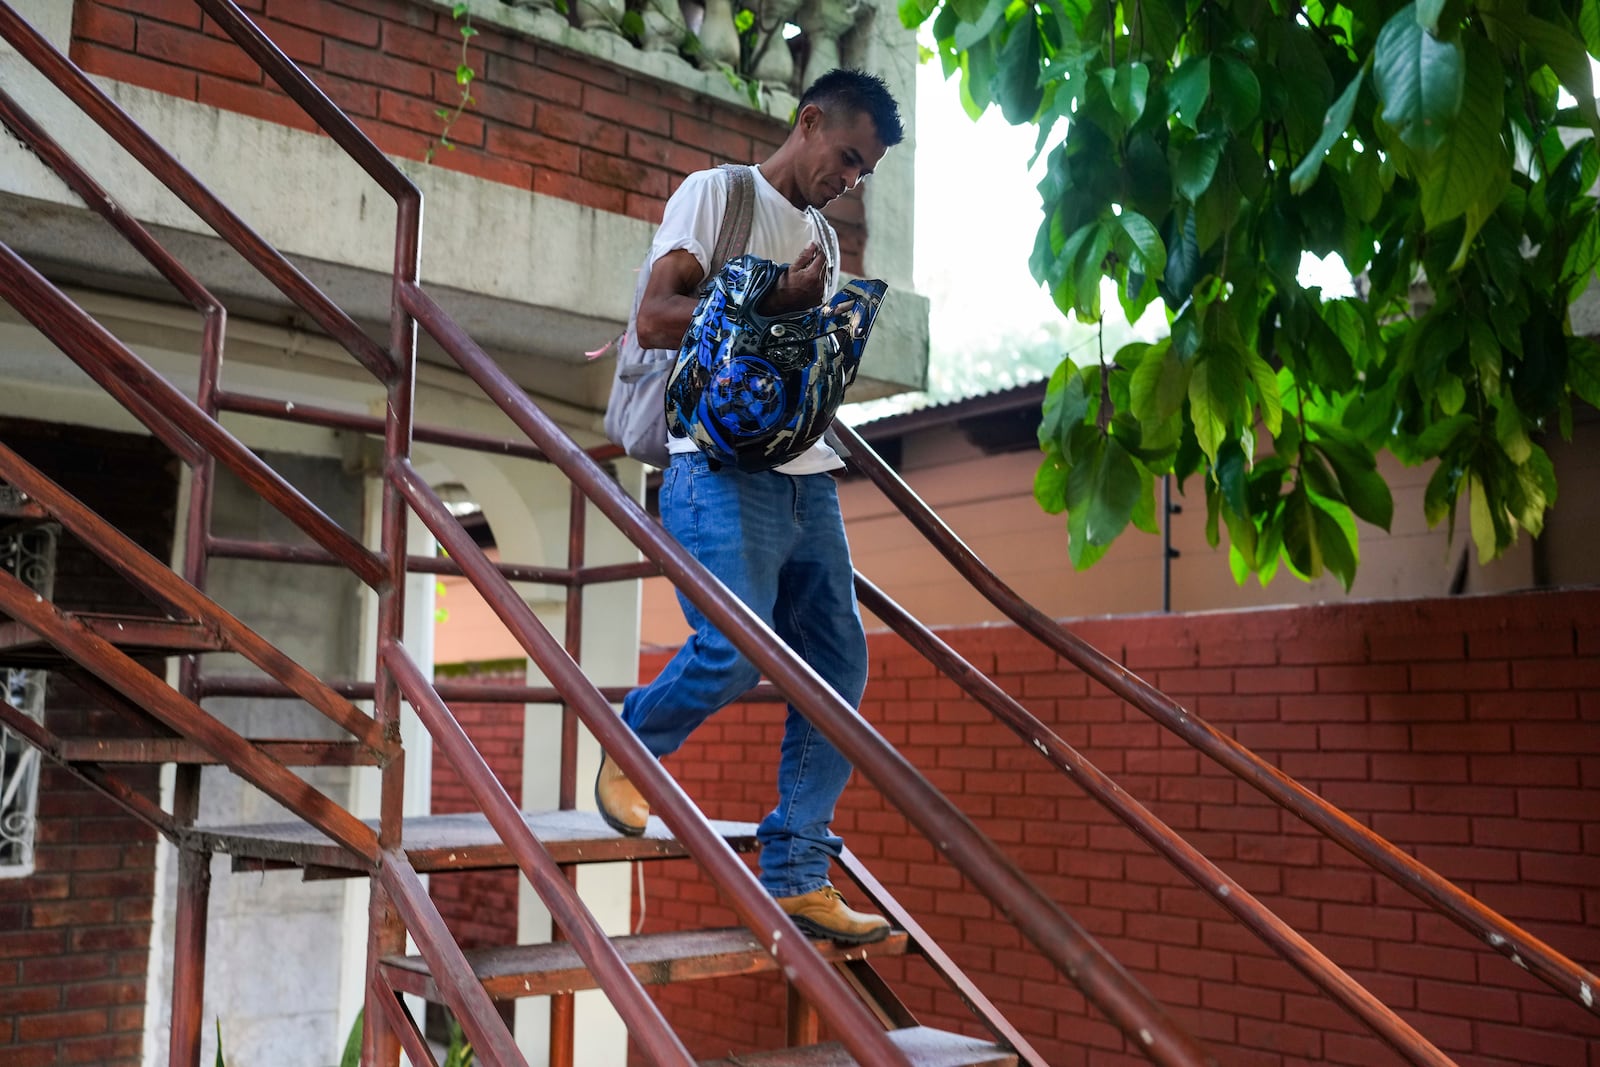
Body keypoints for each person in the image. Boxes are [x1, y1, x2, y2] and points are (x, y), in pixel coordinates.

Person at [596, 69, 905, 945]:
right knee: (736, 645)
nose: (849, 180)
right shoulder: (717, 197)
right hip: (714, 467)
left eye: (864, 172)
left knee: (839, 671)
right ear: (808, 122)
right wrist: (772, 299)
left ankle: (800, 870)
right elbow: (657, 316)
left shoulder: (823, 239)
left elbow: (792, 360)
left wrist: (829, 329)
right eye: (846, 156)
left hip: (807, 475)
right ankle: (635, 748)